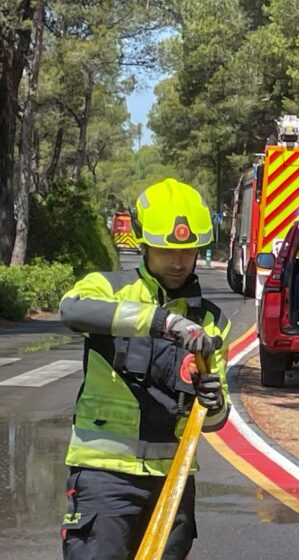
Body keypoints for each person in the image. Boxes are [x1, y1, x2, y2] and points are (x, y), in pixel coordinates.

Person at [58, 178, 231, 559]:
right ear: (144, 244)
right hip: (104, 475)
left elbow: (217, 418)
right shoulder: (108, 287)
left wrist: (213, 402)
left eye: (188, 251)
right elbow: (71, 310)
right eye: (167, 250)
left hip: (172, 480)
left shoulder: (211, 320)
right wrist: (160, 322)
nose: (178, 262)